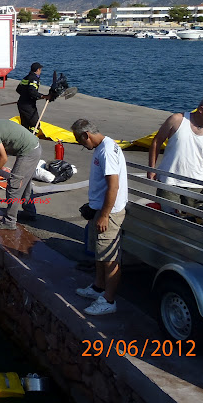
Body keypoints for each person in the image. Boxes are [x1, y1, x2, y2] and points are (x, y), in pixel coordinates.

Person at [71, 118, 127, 316]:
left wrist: (104, 215)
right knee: (100, 254)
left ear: (86, 135)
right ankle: (98, 287)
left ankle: (109, 300)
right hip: (99, 210)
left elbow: (113, 186)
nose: (81, 145)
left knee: (109, 258)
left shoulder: (106, 151)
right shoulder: (102, 147)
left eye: (80, 141)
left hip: (108, 213)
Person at [147, 97, 203, 212]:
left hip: (196, 185)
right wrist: (151, 168)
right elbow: (157, 141)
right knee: (168, 218)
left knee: (193, 219)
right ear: (201, 109)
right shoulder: (177, 120)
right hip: (169, 181)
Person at [17, 62, 48, 131]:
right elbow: (32, 92)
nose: (40, 71)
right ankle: (31, 136)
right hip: (28, 105)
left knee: (25, 125)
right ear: (37, 70)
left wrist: (25, 96)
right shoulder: (34, 79)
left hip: (21, 103)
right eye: (40, 70)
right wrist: (42, 96)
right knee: (36, 125)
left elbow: (18, 89)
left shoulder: (26, 77)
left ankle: (24, 136)